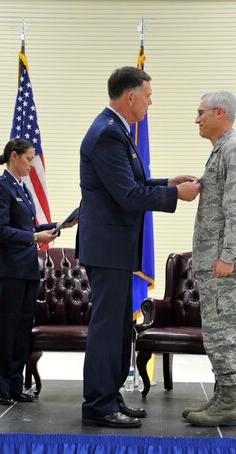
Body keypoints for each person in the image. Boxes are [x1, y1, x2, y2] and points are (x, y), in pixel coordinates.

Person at [76, 66, 199, 428]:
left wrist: (166, 181)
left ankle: (110, 396)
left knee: (117, 328)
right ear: (130, 97)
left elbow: (132, 181)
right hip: (108, 248)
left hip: (114, 247)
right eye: (147, 95)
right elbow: (128, 195)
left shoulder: (116, 130)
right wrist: (176, 194)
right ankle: (98, 404)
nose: (150, 101)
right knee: (107, 327)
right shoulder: (107, 135)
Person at [0, 138, 77, 406]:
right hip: (6, 271)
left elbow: (29, 227)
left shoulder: (22, 190)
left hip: (25, 270)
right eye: (28, 159)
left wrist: (60, 224)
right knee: (4, 330)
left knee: (21, 330)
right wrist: (36, 237)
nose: (31, 165)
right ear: (14, 156)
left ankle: (15, 385)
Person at [183, 90, 236, 427]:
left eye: (200, 112)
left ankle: (228, 403)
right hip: (214, 262)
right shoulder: (220, 152)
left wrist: (228, 255)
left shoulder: (232, 149)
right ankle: (221, 395)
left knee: (223, 333)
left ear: (219, 113)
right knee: (215, 333)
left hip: (222, 264)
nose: (197, 119)